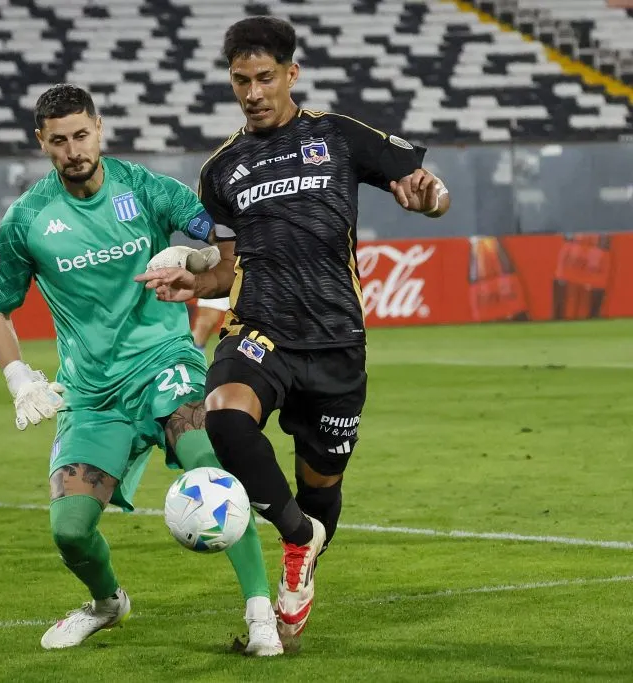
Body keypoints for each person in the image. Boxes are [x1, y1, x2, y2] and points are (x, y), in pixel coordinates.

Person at [136, 16, 450, 643]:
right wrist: (195, 283)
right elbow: (226, 266)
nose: (252, 93)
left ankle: (302, 557)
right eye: (240, 81)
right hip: (260, 329)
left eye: (264, 78)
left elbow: (429, 189)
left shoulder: (337, 135)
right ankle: (299, 536)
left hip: (336, 339)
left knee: (321, 485)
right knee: (224, 416)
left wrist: (430, 199)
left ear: (291, 74)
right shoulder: (221, 169)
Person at [0, 84, 283, 655]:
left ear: (99, 128)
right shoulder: (28, 219)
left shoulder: (145, 188)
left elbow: (225, 237)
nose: (74, 150)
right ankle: (106, 603)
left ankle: (261, 611)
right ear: (42, 142)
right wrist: (18, 378)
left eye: (81, 135)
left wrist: (196, 258)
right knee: (70, 531)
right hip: (92, 392)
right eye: (59, 140)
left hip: (165, 363)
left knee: (211, 470)